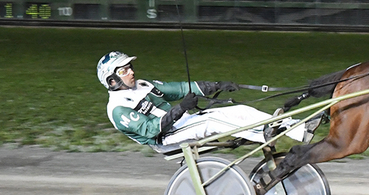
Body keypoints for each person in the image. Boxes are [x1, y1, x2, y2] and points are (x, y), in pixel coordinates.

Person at [97, 51, 305, 152]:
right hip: (167, 139)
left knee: (239, 109)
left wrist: (215, 85)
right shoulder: (117, 109)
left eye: (130, 67)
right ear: (112, 80)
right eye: (124, 70)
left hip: (182, 123)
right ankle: (264, 133)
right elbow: (151, 130)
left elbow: (179, 88)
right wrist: (181, 109)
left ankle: (298, 128)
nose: (131, 72)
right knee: (211, 122)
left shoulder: (143, 84)